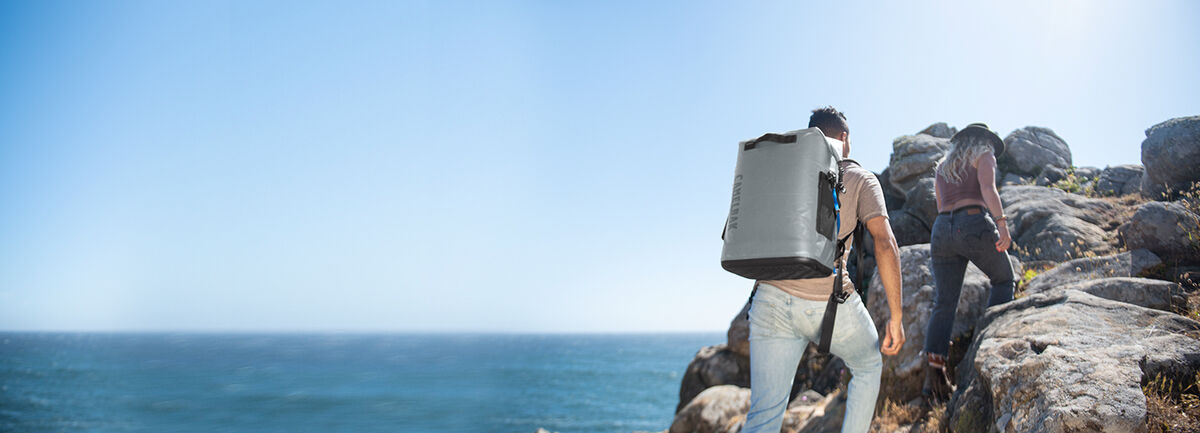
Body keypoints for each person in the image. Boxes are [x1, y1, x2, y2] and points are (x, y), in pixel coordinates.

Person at [743, 107, 905, 433]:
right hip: (828, 301)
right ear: (844, 138)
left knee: (764, 414)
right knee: (868, 365)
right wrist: (896, 317)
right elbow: (885, 242)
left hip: (769, 299)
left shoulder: (782, 171)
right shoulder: (859, 177)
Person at [921, 123, 1015, 401]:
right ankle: (989, 345)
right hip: (972, 221)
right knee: (1004, 279)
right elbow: (988, 188)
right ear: (985, 140)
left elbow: (940, 206)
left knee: (944, 303)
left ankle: (933, 378)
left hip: (941, 229)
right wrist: (1002, 225)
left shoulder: (942, 166)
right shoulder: (984, 155)